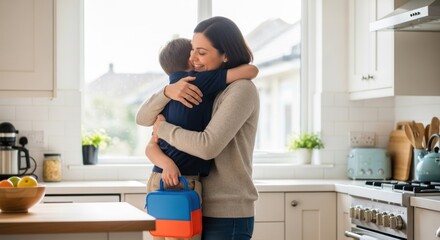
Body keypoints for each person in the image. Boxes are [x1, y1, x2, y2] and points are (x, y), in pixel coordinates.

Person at [137, 16, 260, 240]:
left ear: (226, 55)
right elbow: (143, 118)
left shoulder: (240, 90)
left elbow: (207, 147)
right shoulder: (195, 87)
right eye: (192, 50)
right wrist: (167, 92)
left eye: (202, 52)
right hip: (193, 200)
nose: (193, 59)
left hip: (226, 212)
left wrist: (162, 129)